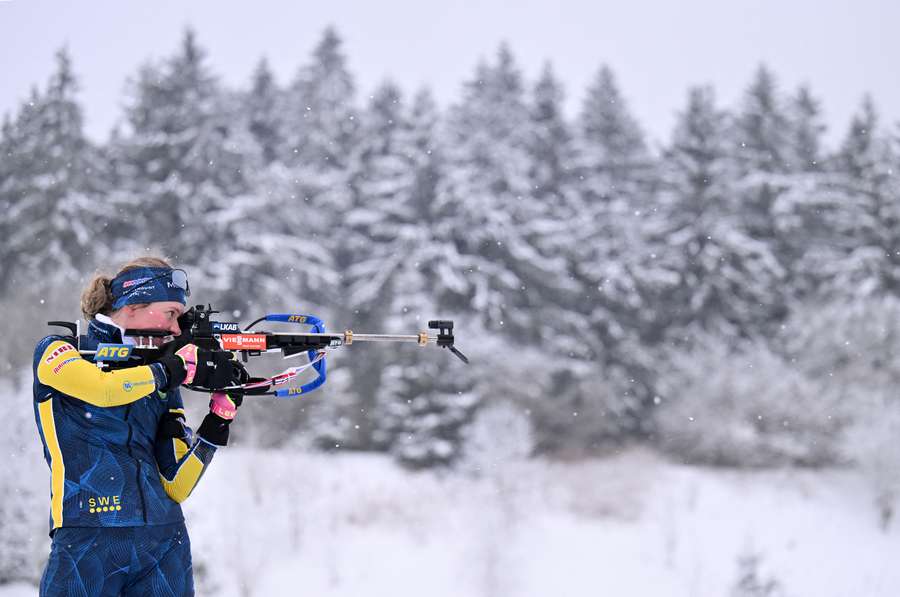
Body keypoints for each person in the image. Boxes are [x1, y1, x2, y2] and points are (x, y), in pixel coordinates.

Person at [32, 256, 243, 596]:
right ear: (132, 306)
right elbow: (102, 389)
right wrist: (173, 369)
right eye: (171, 313)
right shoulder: (58, 351)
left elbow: (176, 486)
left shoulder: (162, 376)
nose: (176, 328)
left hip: (165, 540)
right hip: (87, 536)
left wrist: (219, 419)